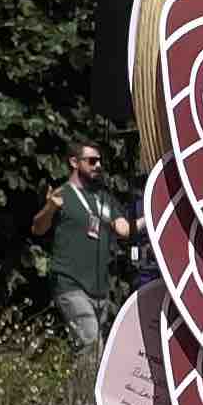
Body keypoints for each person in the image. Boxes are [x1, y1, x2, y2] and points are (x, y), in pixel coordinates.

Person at [32, 138, 133, 354]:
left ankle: (76, 388)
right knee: (92, 346)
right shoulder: (62, 195)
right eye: (92, 161)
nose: (98, 165)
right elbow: (37, 229)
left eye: (100, 161)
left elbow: (124, 230)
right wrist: (49, 209)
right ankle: (90, 389)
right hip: (70, 282)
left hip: (98, 289)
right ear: (74, 162)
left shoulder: (103, 199)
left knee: (88, 352)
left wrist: (154, 217)